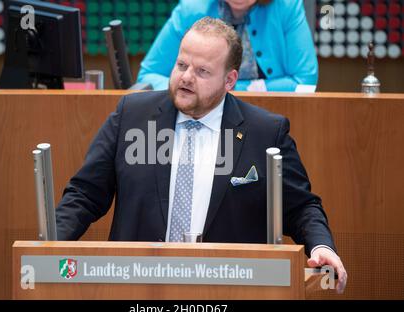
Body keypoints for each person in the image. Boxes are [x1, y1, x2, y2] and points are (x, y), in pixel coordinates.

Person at [56, 17, 346, 293]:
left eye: (202, 71)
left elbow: (300, 207)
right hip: (138, 284)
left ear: (230, 80)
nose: (186, 77)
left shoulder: (266, 132)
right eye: (182, 64)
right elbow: (85, 194)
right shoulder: (132, 117)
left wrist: (321, 247)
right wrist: (49, 245)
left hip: (230, 288)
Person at [137, 0, 318, 92]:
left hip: (270, 116)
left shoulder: (287, 5)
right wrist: (190, 90)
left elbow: (305, 82)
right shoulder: (191, 8)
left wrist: (226, 91)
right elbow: (148, 77)